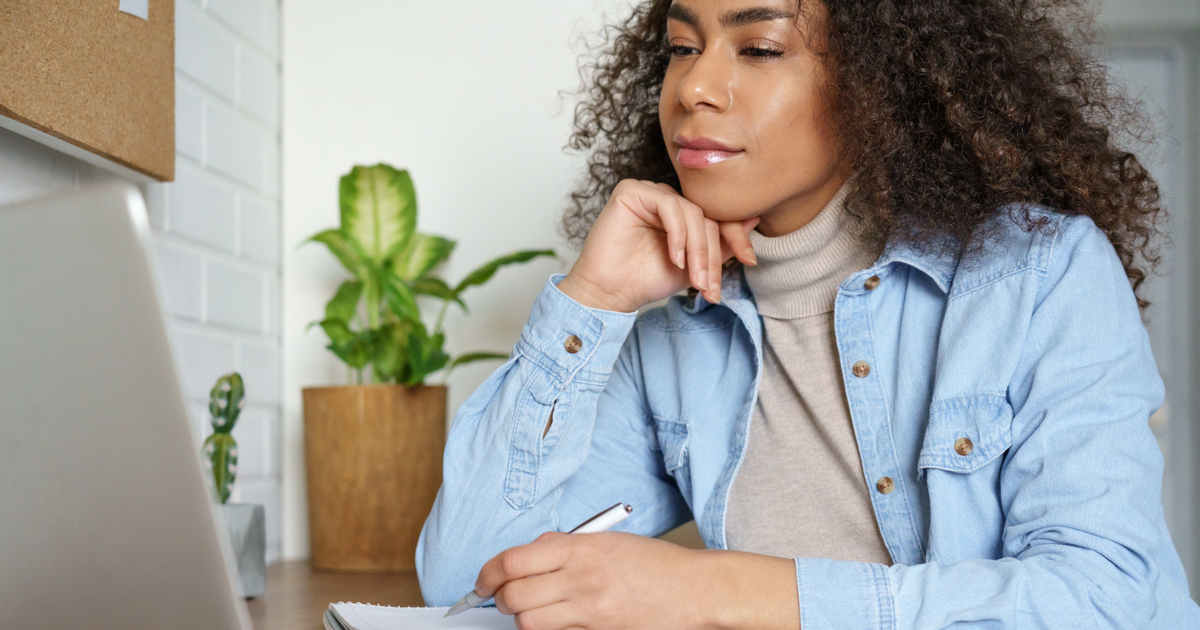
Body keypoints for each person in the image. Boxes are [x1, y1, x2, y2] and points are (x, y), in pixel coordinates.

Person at [417, 0, 1200, 627]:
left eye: (758, 49)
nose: (694, 88)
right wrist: (595, 300)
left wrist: (715, 593)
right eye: (682, 46)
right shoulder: (675, 321)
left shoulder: (1037, 272)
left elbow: (1107, 600)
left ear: (876, 83)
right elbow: (466, 583)